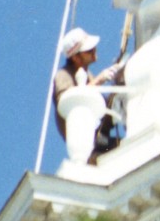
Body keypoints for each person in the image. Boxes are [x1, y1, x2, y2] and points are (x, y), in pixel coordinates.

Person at [52, 27, 126, 159]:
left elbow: (103, 111)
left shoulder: (87, 75)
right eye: (89, 50)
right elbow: (69, 99)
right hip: (89, 141)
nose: (94, 51)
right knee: (127, 149)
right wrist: (100, 80)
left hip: (100, 134)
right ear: (75, 57)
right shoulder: (63, 75)